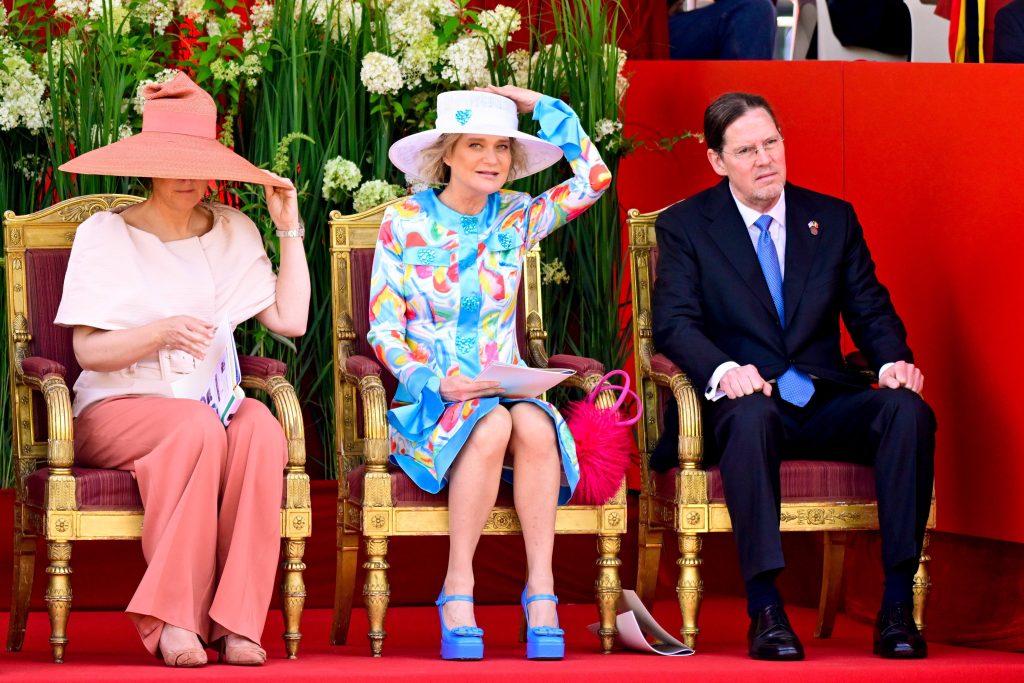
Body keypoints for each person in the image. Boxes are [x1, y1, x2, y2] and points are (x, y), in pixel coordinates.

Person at [650, 92, 935, 661]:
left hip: (822, 399)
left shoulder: (831, 218)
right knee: (752, 414)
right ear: (717, 160)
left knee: (907, 411)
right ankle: (767, 610)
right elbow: (674, 324)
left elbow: (869, 309)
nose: (764, 159)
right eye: (747, 150)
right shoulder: (687, 226)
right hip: (745, 405)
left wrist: (891, 362)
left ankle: (898, 605)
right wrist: (726, 371)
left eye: (772, 143)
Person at [54, 72, 310, 667]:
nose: (187, 175)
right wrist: (160, 331)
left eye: (198, 161)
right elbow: (90, 353)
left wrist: (288, 227)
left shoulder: (233, 228)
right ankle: (175, 618)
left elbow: (291, 319)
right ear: (147, 163)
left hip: (208, 404)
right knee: (194, 429)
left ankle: (237, 621)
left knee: (262, 430)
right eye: (172, 161)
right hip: (117, 408)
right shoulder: (105, 234)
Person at [368, 85, 610, 660]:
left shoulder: (518, 217)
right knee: (494, 425)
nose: (492, 159)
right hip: (433, 401)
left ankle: (542, 591)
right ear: (447, 152)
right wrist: (434, 382)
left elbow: (594, 180)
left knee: (533, 425)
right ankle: (458, 587)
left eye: (502, 147)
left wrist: (540, 105)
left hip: (506, 387)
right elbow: (383, 329)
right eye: (475, 144)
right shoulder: (404, 222)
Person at [668, 0, 777, 60]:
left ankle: (746, 95)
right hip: (655, 29)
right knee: (752, 9)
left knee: (754, 10)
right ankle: (744, 96)